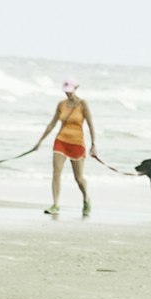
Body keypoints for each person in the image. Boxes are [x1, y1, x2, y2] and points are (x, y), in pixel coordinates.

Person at [27, 83, 98, 218]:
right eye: (66, 91)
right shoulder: (61, 104)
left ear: (76, 89)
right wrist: (39, 142)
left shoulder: (83, 104)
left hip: (77, 143)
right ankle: (55, 204)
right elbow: (52, 124)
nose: (68, 93)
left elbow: (90, 124)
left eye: (70, 91)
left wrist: (93, 144)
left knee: (78, 178)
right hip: (61, 141)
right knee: (56, 173)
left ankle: (86, 198)